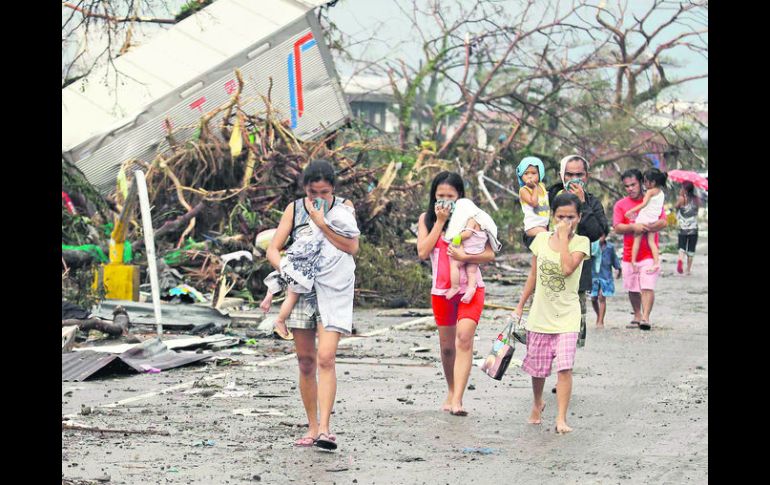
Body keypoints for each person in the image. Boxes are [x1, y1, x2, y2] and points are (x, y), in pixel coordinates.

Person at [265, 159, 359, 451]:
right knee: (306, 361)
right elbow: (273, 248)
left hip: (333, 288)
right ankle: (312, 426)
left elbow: (352, 246)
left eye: (323, 192)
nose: (317, 198)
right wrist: (289, 270)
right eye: (312, 192)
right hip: (301, 290)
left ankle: (326, 430)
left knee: (326, 357)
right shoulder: (294, 209)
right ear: (304, 188)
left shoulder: (344, 208)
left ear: (332, 187)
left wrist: (321, 224)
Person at [416, 172, 497, 416]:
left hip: (471, 289)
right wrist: (440, 222)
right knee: (447, 347)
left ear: (459, 197)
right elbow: (422, 251)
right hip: (442, 291)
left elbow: (490, 254)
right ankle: (451, 389)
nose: (445, 201)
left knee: (464, 338)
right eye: (440, 196)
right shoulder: (426, 219)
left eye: (450, 196)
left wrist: (466, 257)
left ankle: (459, 399)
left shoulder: (472, 218)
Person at [514, 193, 590, 434]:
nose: (565, 221)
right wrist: (520, 305)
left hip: (567, 314)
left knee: (564, 367)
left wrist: (565, 238)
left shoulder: (581, 242)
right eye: (560, 216)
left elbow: (568, 269)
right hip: (540, 313)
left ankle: (561, 418)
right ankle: (538, 403)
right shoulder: (540, 240)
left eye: (570, 217)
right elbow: (533, 275)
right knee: (538, 369)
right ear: (552, 216)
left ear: (578, 218)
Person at [261, 197, 360, 339]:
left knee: (294, 296)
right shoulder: (296, 212)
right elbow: (275, 259)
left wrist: (269, 296)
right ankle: (281, 320)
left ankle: (284, 321)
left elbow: (352, 247)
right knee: (294, 296)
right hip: (304, 275)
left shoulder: (342, 206)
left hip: (319, 278)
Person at [547, 155, 608, 348]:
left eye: (579, 174)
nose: (574, 179)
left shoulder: (592, 202)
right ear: (561, 175)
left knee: (574, 320)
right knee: (546, 319)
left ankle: (567, 360)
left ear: (587, 176)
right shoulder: (548, 196)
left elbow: (597, 232)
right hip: (547, 270)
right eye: (569, 174)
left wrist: (583, 204)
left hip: (578, 272)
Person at [613, 168, 667, 331]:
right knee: (633, 288)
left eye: (633, 184)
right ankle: (637, 314)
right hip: (630, 254)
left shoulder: (653, 198)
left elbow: (663, 221)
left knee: (647, 286)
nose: (630, 188)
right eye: (627, 186)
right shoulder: (620, 205)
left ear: (641, 183)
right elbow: (617, 227)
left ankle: (645, 318)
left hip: (649, 253)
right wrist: (634, 226)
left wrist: (650, 226)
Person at [444, 198, 501, 303]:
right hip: (477, 252)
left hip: (468, 251)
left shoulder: (472, 220)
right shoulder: (483, 223)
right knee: (472, 272)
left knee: (454, 265)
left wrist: (457, 237)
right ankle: (471, 289)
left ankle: (455, 287)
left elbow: (467, 234)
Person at [624, 168, 667, 274]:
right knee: (652, 242)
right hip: (653, 219)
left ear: (652, 182)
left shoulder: (650, 191)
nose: (644, 183)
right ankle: (656, 262)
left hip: (644, 219)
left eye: (645, 181)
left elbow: (643, 204)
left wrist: (631, 210)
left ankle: (633, 262)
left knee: (637, 240)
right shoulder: (661, 192)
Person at [589, 233, 622, 327]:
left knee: (601, 297)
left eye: (602, 235)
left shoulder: (609, 248)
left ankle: (600, 321)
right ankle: (599, 315)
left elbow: (614, 259)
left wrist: (619, 269)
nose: (600, 238)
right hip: (593, 276)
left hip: (605, 276)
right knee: (593, 298)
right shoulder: (591, 247)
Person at [517, 156, 550, 248]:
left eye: (534, 173)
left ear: (540, 174)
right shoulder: (524, 190)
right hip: (533, 226)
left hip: (544, 225)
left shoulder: (542, 186)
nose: (530, 176)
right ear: (521, 175)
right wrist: (534, 187)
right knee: (548, 238)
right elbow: (534, 203)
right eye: (526, 173)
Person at [675, 181, 700, 275]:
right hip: (694, 228)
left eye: (682, 188)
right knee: (691, 249)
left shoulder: (682, 199)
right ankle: (688, 270)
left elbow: (676, 207)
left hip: (683, 228)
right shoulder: (696, 199)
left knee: (682, 247)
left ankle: (680, 260)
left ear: (685, 189)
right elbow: (696, 211)